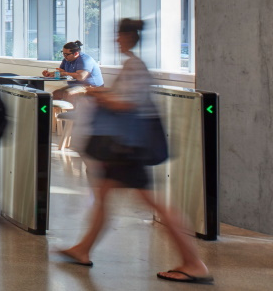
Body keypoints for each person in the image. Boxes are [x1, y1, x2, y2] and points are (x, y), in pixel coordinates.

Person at [55, 19, 211, 284]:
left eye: (119, 36)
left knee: (154, 201)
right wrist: (99, 93)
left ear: (128, 37)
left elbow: (124, 104)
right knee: (103, 195)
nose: (117, 40)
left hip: (128, 147)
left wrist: (94, 95)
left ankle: (194, 263)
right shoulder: (132, 65)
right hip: (124, 146)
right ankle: (83, 249)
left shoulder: (135, 67)